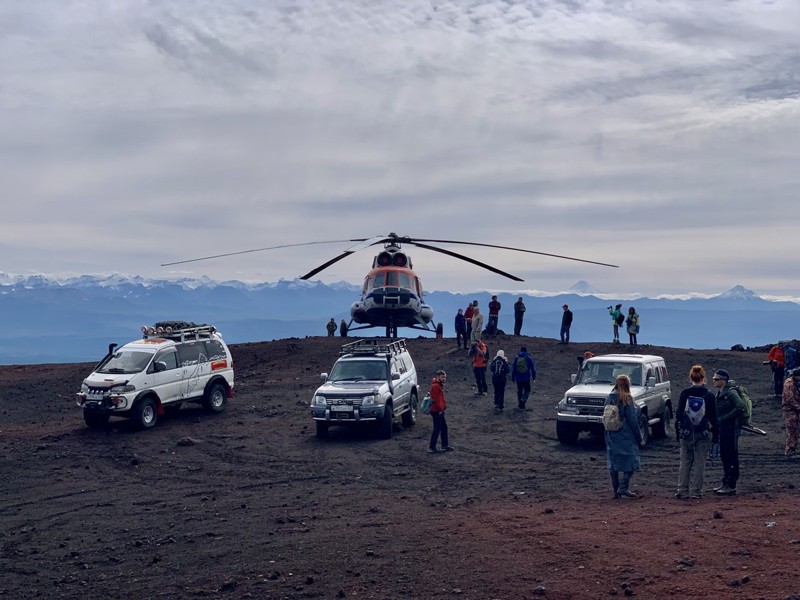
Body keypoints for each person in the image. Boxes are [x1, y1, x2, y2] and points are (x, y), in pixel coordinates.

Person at [674, 365, 718, 499]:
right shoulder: (709, 395)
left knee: (685, 462)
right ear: (703, 378)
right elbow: (713, 417)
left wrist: (678, 432)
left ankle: (682, 490)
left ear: (690, 377)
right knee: (700, 463)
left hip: (687, 432)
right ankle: (696, 491)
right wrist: (715, 435)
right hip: (703, 432)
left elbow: (679, 415)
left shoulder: (685, 393)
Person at [604, 375, 643, 498]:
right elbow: (632, 420)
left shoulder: (609, 397)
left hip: (611, 433)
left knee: (613, 462)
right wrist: (639, 436)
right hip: (625, 434)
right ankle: (623, 487)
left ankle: (616, 491)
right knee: (631, 460)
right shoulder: (626, 398)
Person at [711, 369, 746, 495]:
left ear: (723, 380)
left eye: (716, 379)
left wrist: (724, 419)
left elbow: (740, 407)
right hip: (724, 429)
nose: (713, 381)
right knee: (725, 456)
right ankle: (726, 482)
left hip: (731, 430)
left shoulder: (730, 393)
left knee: (730, 456)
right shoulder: (721, 392)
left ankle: (731, 485)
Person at [428, 370, 454, 453]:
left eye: (445, 377)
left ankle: (444, 445)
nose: (444, 379)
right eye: (442, 377)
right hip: (437, 411)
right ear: (438, 376)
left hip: (438, 410)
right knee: (437, 429)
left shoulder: (437, 385)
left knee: (443, 428)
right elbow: (437, 400)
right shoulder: (436, 386)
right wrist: (440, 409)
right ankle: (432, 447)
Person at [510, 346, 536, 410]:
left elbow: (514, 369)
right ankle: (523, 401)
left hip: (518, 378)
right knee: (527, 390)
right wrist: (534, 377)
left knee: (519, 391)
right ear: (526, 351)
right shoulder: (528, 358)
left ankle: (520, 405)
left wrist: (513, 378)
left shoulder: (517, 358)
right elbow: (533, 368)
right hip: (526, 378)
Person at [781, 368, 800, 457]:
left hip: (794, 410)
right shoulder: (789, 384)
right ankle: (790, 451)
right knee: (793, 431)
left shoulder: (795, 383)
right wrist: (798, 407)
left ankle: (792, 450)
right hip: (790, 410)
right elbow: (789, 399)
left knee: (795, 431)